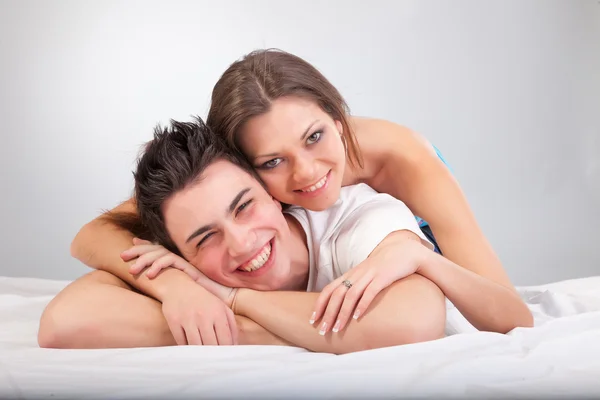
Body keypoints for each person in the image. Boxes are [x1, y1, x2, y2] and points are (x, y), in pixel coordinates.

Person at [68, 48, 532, 335]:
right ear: (241, 167)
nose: (308, 173)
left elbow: (509, 313)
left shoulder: (400, 158)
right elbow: (93, 235)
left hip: (406, 244)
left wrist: (419, 256)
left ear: (337, 118)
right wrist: (176, 288)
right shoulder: (220, 192)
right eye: (272, 162)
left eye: (315, 137)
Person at [39, 117, 447, 354]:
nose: (241, 243)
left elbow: (415, 320)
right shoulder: (183, 271)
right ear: (178, 253)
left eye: (243, 206)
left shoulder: (352, 218)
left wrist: (232, 306)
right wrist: (177, 290)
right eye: (204, 239)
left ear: (273, 194)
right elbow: (64, 322)